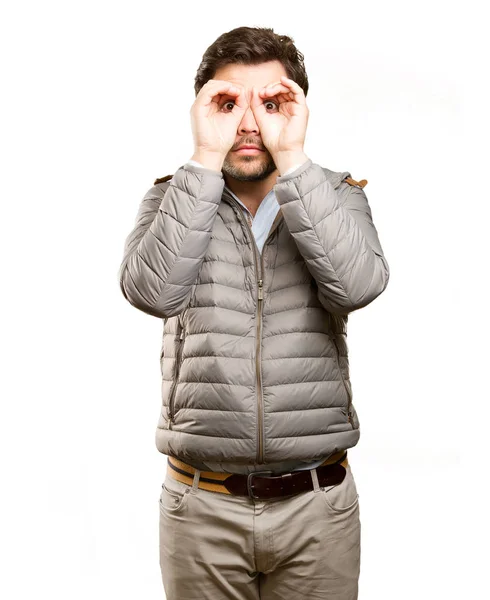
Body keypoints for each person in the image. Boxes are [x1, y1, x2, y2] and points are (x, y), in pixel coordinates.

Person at [118, 25, 389, 600]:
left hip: (318, 508)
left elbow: (359, 285)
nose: (249, 123)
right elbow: (152, 292)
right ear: (202, 109)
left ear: (297, 108)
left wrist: (292, 158)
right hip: (201, 509)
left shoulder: (335, 195)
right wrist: (204, 158)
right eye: (228, 103)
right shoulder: (174, 197)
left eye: (270, 104)